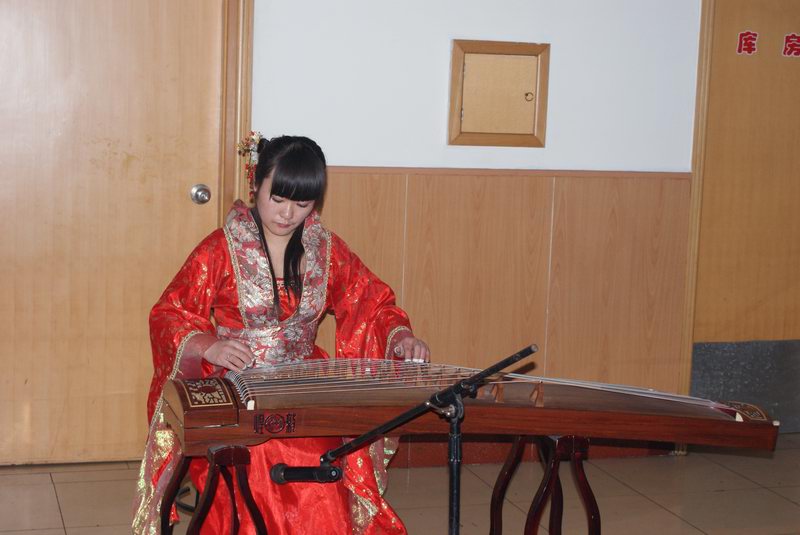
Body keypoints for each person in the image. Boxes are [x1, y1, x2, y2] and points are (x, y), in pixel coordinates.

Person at [133, 135, 429, 534]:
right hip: (237, 383)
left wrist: (400, 337)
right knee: (260, 457)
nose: (288, 214)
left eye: (302, 204)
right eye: (278, 199)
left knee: (324, 454)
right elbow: (170, 312)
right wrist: (210, 346)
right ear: (256, 184)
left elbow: (370, 302)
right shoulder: (220, 249)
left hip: (305, 382)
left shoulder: (326, 250)